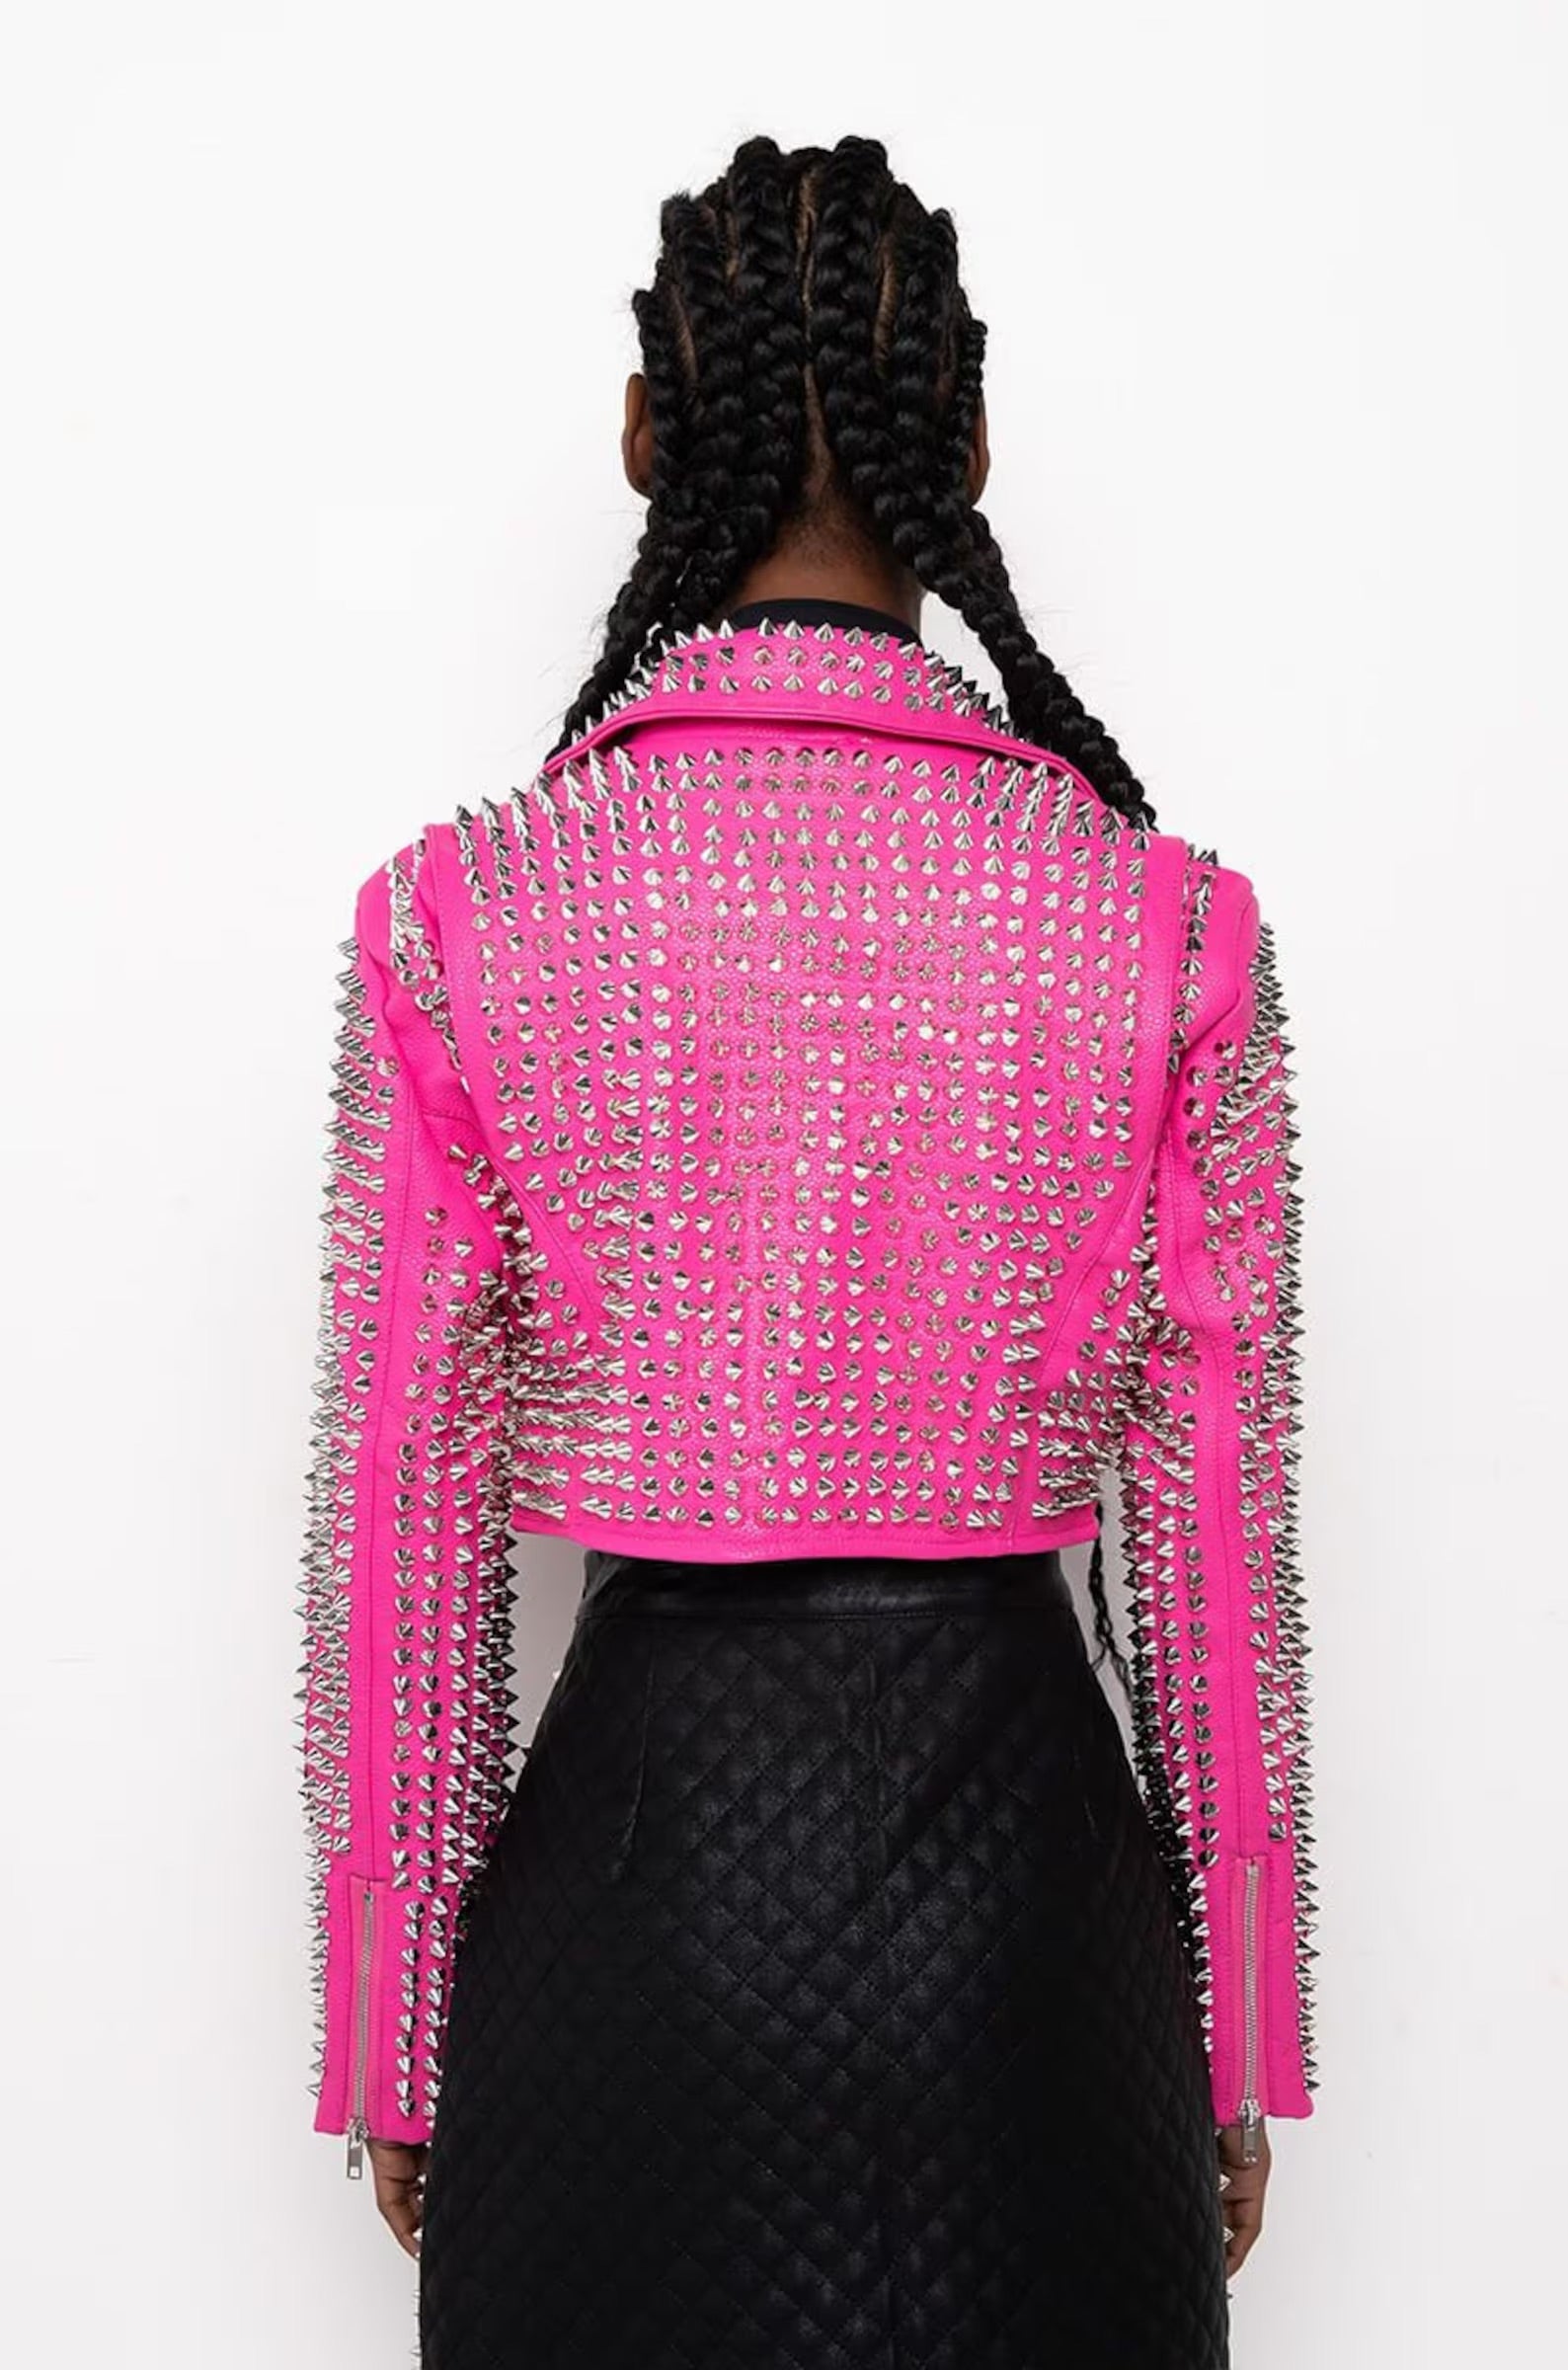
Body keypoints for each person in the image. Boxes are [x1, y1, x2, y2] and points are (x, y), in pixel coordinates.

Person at [294, 131, 1318, 2369]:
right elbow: (1211, 1535)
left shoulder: (464, 919)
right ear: (971, 446)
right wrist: (1239, 2025)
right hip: (1038, 1949)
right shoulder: (1165, 927)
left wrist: (395, 2028)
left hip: (626, 1936)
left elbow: (408, 1522)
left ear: (643, 433)